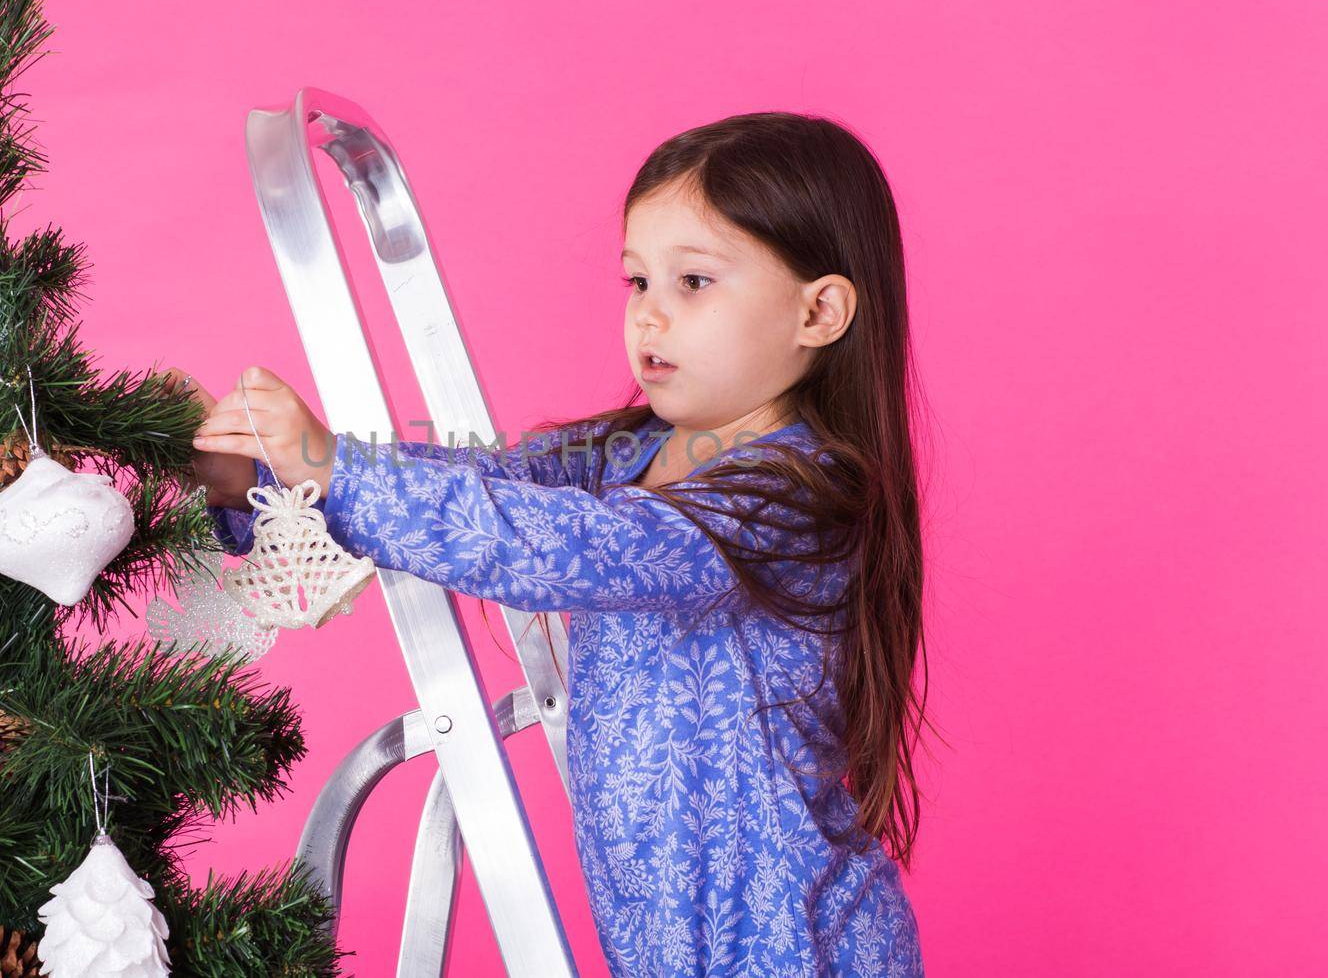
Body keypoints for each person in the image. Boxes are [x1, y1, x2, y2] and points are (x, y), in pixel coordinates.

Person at [174, 111, 928, 976]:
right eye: (637, 282)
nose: (650, 317)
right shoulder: (622, 451)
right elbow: (482, 486)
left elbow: (571, 546)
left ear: (819, 311)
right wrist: (272, 480)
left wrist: (336, 468)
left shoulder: (798, 494)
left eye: (693, 282)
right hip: (660, 942)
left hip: (799, 944)